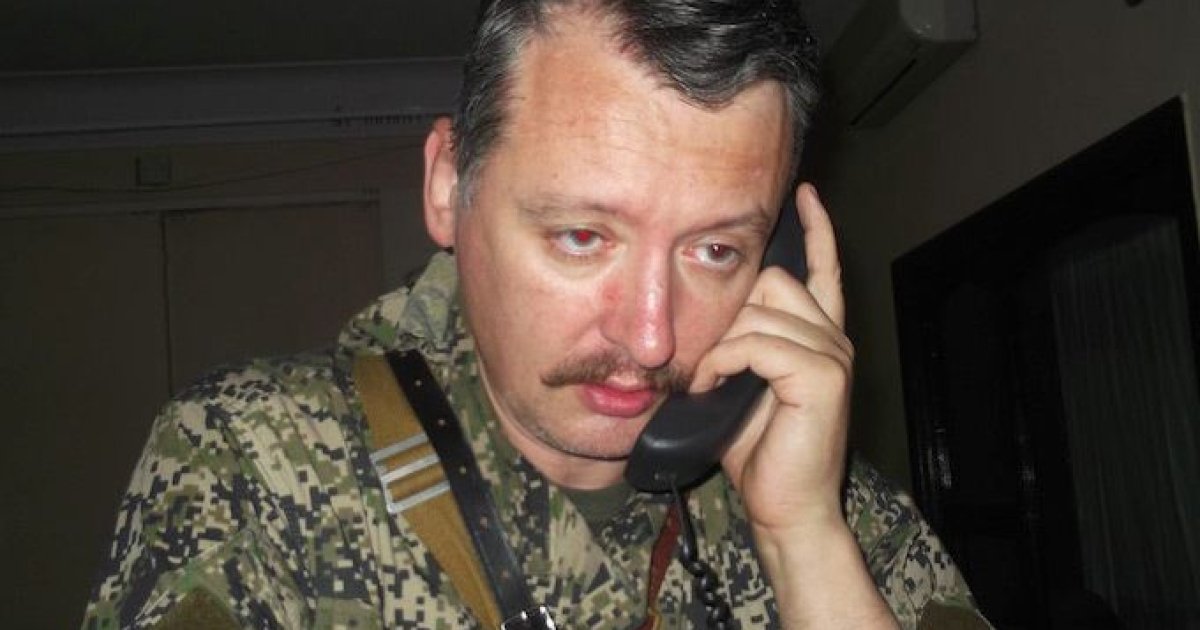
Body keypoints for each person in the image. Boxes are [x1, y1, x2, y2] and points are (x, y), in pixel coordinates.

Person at [83, 0, 991, 628]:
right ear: (449, 185)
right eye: (582, 237)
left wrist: (804, 544)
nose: (651, 337)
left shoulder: (841, 513)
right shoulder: (254, 459)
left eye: (716, 250)